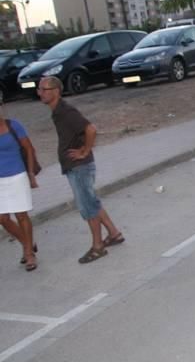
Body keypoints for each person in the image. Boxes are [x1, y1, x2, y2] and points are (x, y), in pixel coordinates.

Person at [37, 77, 124, 264]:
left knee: (87, 207)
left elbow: (90, 129)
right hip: (75, 166)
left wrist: (84, 151)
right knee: (91, 201)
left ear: (56, 91)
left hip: (80, 167)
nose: (40, 92)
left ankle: (98, 247)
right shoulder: (57, 111)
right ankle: (114, 234)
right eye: (39, 89)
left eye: (44, 89)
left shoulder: (65, 111)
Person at [0, 103, 38, 271]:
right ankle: (27, 243)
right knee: (3, 219)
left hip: (17, 175)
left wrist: (30, 174)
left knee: (21, 215)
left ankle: (29, 253)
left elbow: (29, 149)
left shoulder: (13, 125)